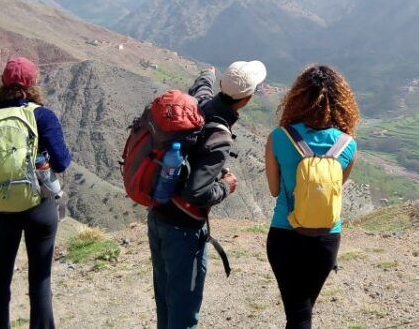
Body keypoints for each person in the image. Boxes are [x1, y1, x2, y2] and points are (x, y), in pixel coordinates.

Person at [148, 61, 267, 329]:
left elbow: (201, 87)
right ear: (246, 99)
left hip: (158, 213)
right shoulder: (220, 136)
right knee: (184, 310)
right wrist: (227, 186)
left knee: (165, 298)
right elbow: (197, 191)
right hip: (184, 229)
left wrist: (207, 73)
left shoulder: (199, 104)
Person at [0, 57, 71, 329]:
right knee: (40, 280)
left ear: (2, 82)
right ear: (33, 83)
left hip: (0, 211)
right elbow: (62, 162)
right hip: (39, 206)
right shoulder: (41, 115)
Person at [265, 64, 360, 329]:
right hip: (327, 238)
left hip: (285, 234)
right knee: (302, 310)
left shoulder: (278, 138)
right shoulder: (347, 145)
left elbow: (274, 190)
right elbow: (335, 189)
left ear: (296, 98)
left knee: (297, 314)